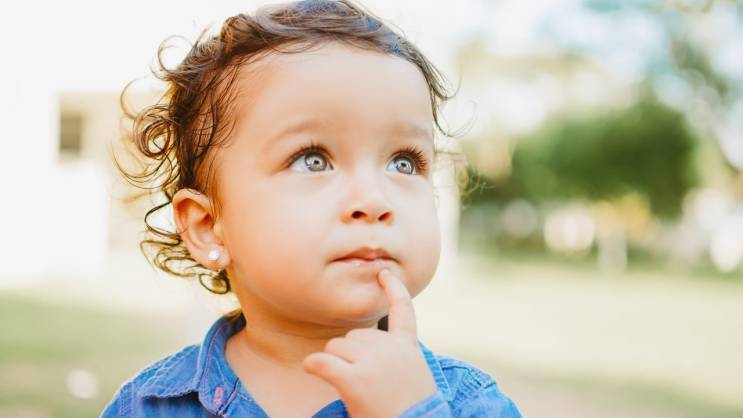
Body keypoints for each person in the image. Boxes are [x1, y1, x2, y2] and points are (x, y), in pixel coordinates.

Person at [102, 0, 522, 416]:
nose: (374, 201)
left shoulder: (471, 405)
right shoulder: (147, 407)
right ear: (209, 226)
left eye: (403, 162)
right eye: (313, 160)